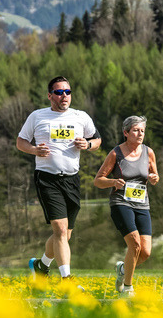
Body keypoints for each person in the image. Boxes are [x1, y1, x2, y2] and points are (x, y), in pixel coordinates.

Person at [16, 76, 101, 280]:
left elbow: (97, 139)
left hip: (72, 179)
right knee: (60, 230)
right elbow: (20, 142)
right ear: (50, 96)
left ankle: (41, 265)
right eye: (59, 92)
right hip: (47, 179)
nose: (64, 96)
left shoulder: (81, 117)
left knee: (64, 235)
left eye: (68, 92)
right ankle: (66, 279)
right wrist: (34, 150)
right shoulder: (37, 116)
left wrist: (88, 145)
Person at [93, 115, 159, 297]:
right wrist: (113, 182)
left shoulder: (149, 152)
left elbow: (155, 176)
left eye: (142, 131)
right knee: (135, 244)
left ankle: (122, 269)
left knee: (145, 252)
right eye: (136, 130)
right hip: (121, 202)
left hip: (142, 205)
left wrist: (154, 178)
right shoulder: (116, 154)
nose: (140, 134)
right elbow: (98, 180)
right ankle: (128, 288)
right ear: (126, 132)